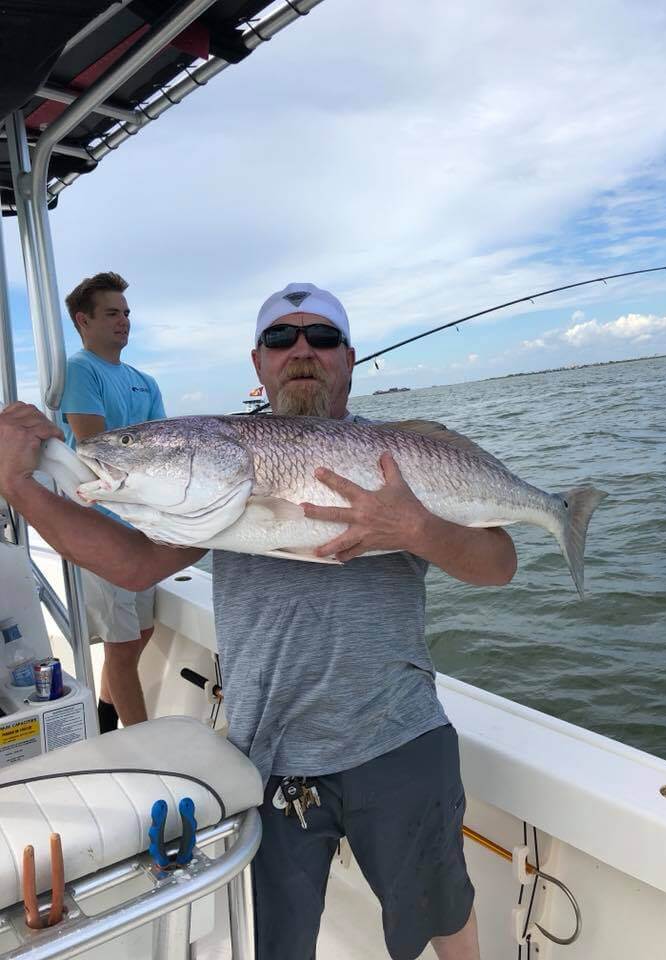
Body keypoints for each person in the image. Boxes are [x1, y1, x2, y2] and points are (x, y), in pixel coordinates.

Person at [0, 282, 517, 960]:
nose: (301, 350)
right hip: (265, 753)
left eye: (321, 337)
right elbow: (129, 564)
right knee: (279, 942)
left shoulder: (399, 459)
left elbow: (498, 562)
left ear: (349, 357)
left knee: (445, 913)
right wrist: (20, 487)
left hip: (400, 736)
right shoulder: (223, 465)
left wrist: (415, 526)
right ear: (258, 362)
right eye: (281, 338)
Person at [61, 271, 166, 732]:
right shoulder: (80, 371)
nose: (124, 321)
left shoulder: (145, 380)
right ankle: (147, 750)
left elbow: (166, 449)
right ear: (83, 321)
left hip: (143, 527)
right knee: (122, 647)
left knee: (143, 632)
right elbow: (96, 448)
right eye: (112, 313)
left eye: (126, 313)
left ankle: (104, 721)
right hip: (99, 527)